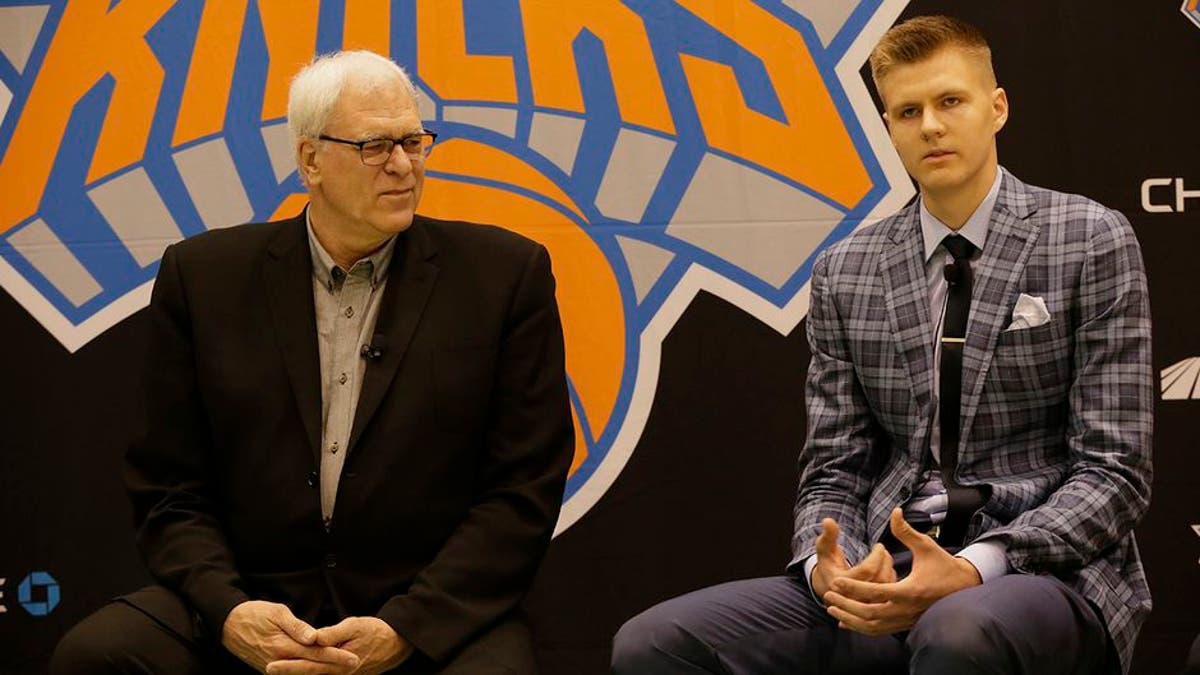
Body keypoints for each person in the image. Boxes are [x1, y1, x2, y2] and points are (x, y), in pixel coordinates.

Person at [612, 15, 1151, 675]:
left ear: (997, 107)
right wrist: (827, 566)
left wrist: (974, 565)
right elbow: (833, 469)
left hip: (1044, 569)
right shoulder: (846, 269)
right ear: (889, 127)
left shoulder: (1090, 238)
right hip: (883, 563)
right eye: (907, 110)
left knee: (957, 632)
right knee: (654, 643)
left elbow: (1113, 472)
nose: (930, 124)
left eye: (950, 101)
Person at [51, 50, 573, 675]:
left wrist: (406, 625)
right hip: (250, 593)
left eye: (414, 141)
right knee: (97, 656)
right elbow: (169, 487)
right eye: (375, 146)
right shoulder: (204, 278)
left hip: (423, 605)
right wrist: (229, 610)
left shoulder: (504, 276)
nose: (404, 166)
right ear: (310, 160)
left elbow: (523, 489)